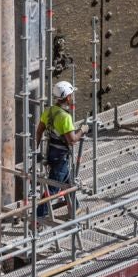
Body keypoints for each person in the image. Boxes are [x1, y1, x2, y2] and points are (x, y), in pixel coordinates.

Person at [36, 80, 79, 220]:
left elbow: (39, 130)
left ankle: (75, 207)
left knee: (66, 181)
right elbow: (72, 140)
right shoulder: (65, 117)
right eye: (71, 95)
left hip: (50, 152)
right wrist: (83, 131)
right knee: (54, 187)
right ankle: (39, 216)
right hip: (61, 156)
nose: (72, 98)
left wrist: (36, 150)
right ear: (67, 97)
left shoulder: (48, 111)